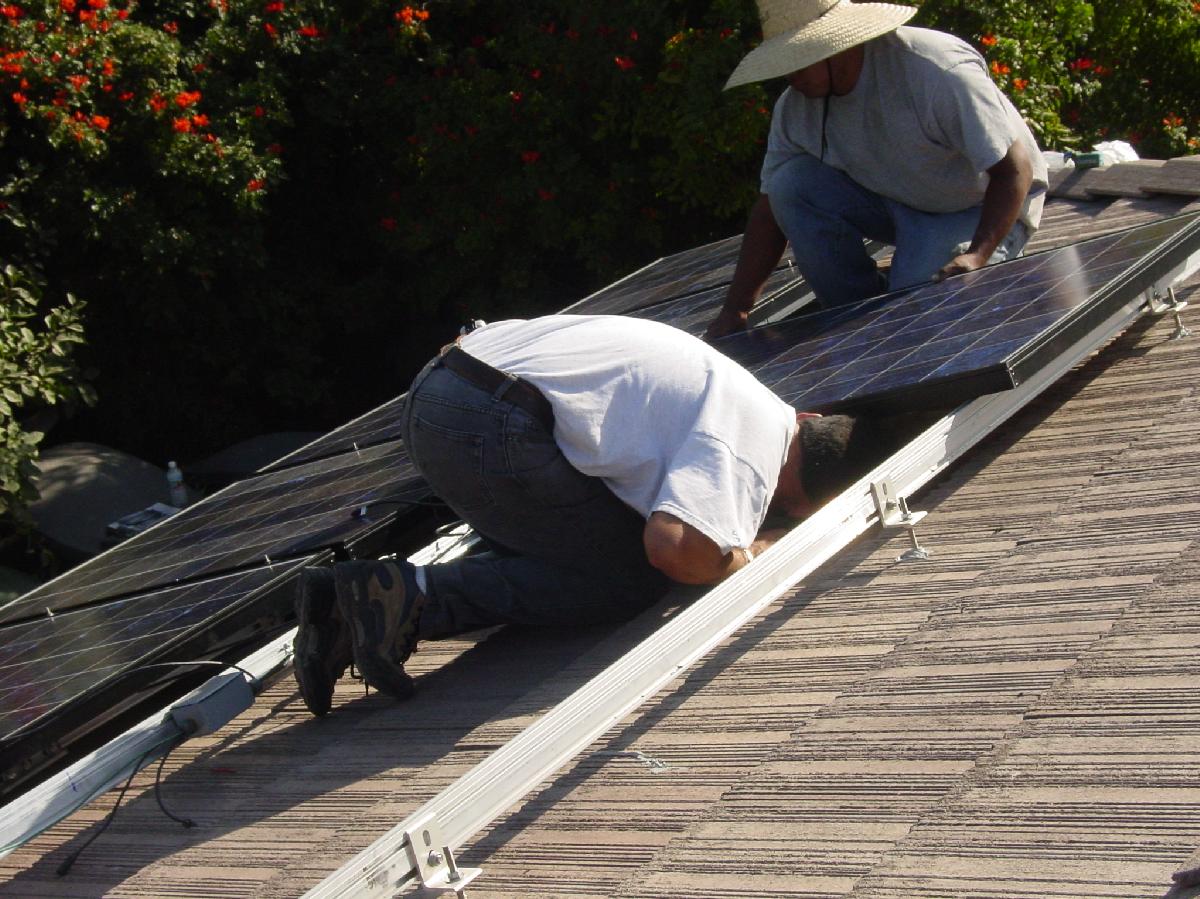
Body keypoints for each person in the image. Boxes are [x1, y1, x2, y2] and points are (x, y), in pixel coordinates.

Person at [292, 314, 878, 716]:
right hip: (493, 420)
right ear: (798, 504)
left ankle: (344, 608)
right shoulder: (755, 449)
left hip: (444, 387)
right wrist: (752, 553)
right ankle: (401, 596)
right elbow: (675, 550)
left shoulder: (750, 396)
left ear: (809, 417)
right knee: (628, 579)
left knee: (578, 544)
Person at [706, 0, 1049, 339]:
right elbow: (770, 210)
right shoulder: (795, 109)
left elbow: (1014, 170)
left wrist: (978, 255)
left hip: (979, 207)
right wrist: (735, 309)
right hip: (899, 201)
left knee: (917, 314)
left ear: (836, 47)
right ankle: (853, 316)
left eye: (797, 61)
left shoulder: (933, 69)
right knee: (789, 184)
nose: (790, 77)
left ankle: (906, 301)